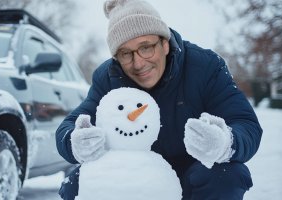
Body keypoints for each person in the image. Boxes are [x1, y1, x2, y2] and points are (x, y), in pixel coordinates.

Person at [56, 0, 263, 199]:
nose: (138, 63)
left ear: (165, 43)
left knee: (227, 175)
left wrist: (224, 142)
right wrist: (75, 142)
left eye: (146, 47)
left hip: (193, 175)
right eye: (126, 53)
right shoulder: (109, 77)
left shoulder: (205, 66)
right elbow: (68, 127)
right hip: (136, 177)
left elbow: (246, 124)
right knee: (77, 183)